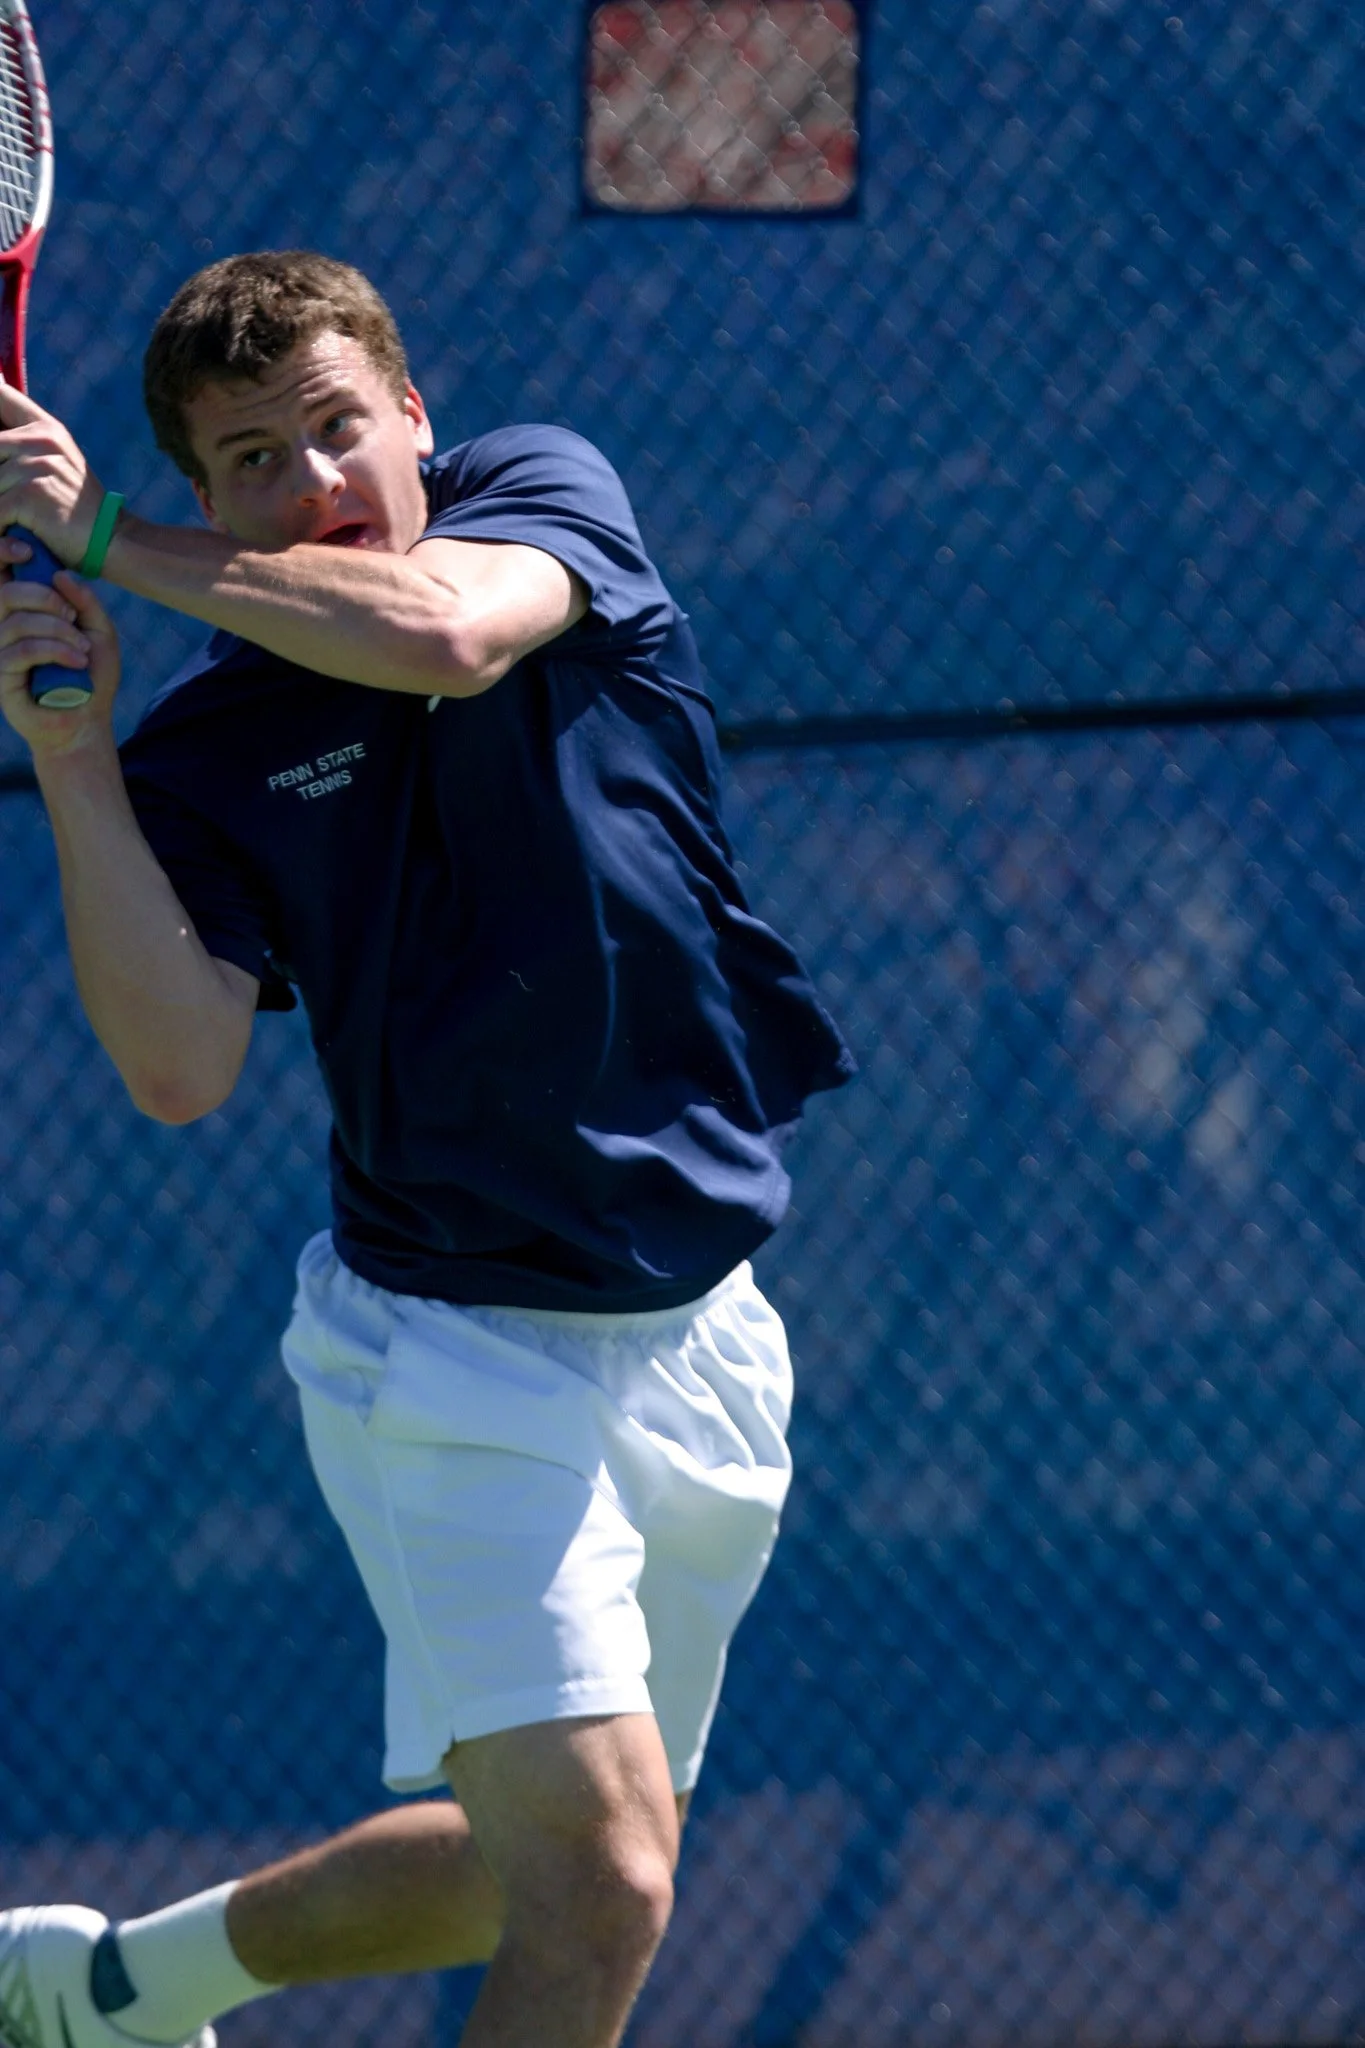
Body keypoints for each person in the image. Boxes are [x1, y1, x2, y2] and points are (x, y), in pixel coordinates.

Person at [0, 251, 852, 2048]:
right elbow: (175, 1066)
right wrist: (72, 762)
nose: (310, 483)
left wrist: (110, 545)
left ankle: (93, 1995)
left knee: (516, 1871)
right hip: (451, 1349)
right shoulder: (212, 754)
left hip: (703, 1339)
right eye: (251, 461)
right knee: (605, 1885)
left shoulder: (544, 495)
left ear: (414, 418)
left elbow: (449, 639)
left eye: (334, 429)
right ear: (210, 484)